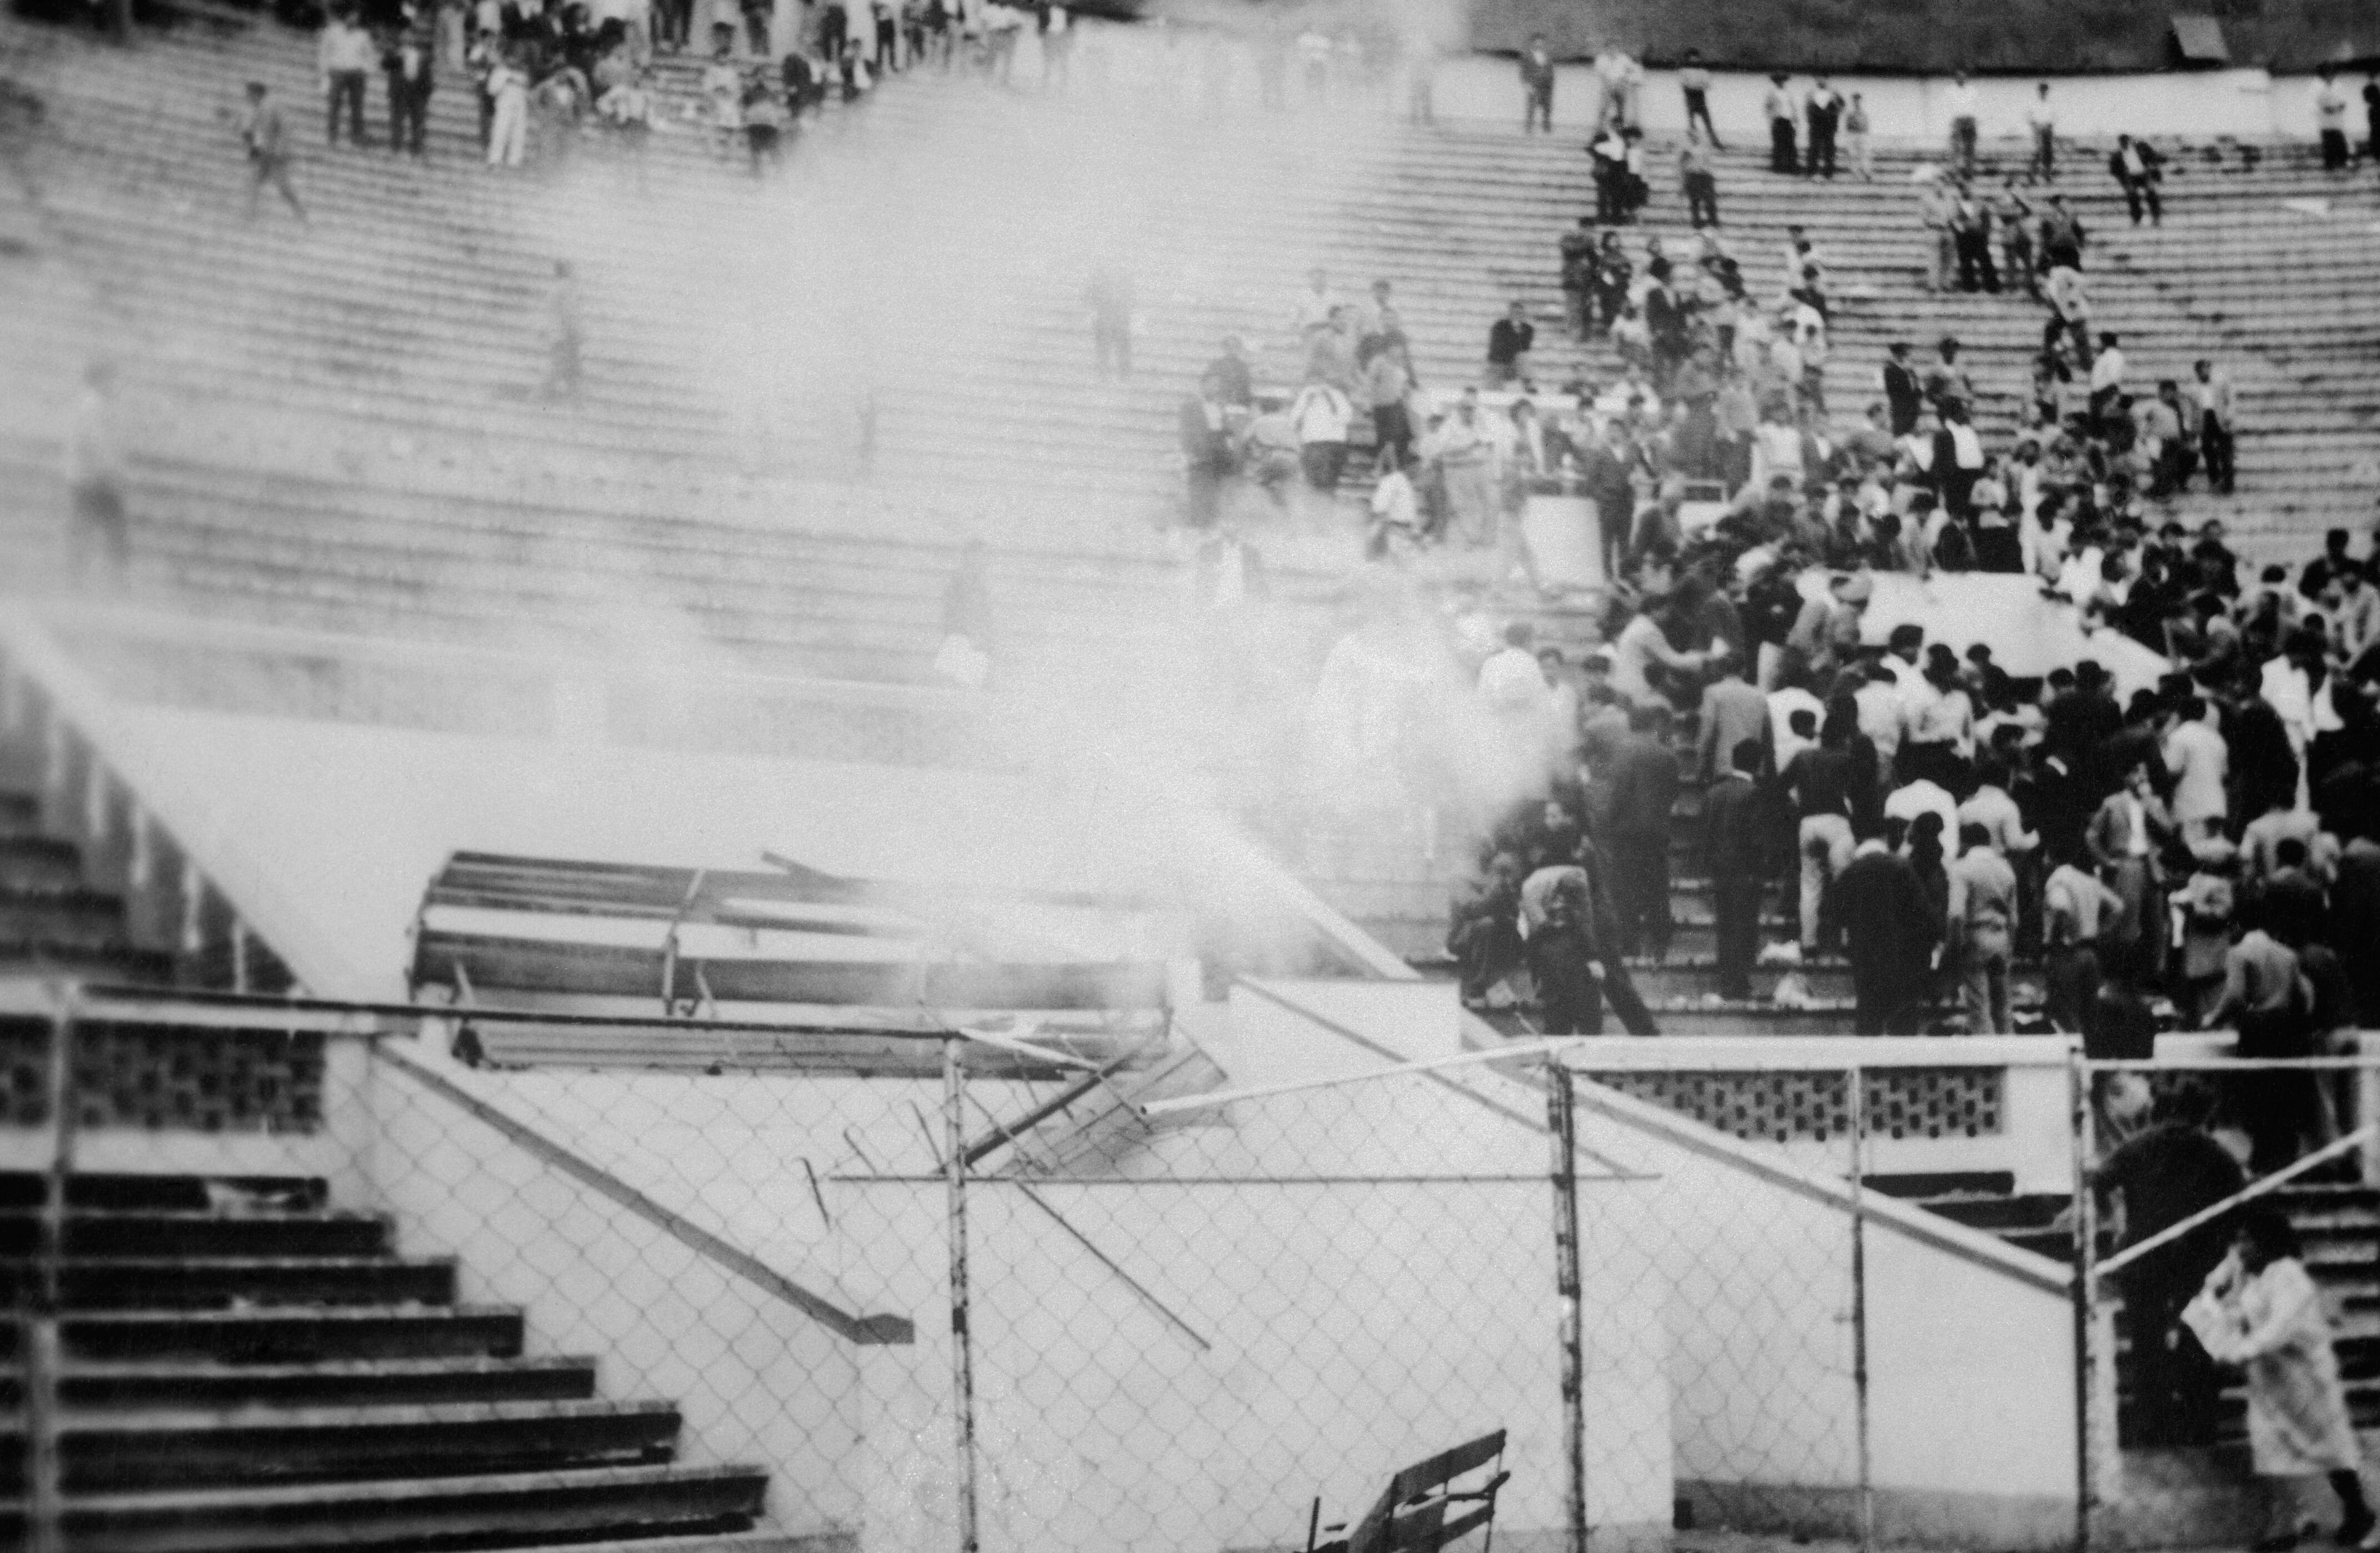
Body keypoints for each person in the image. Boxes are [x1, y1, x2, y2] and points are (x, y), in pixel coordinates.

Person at [2185, 1210, 2376, 1549]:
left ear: (2268, 1241)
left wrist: (2235, 1352)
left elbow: (2276, 1332)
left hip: (2305, 1377)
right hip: (2269, 1376)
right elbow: (2225, 1302)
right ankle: (2285, 1526)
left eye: (2248, 1240)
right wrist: (2217, 1294)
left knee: (2328, 1447)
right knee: (2271, 1447)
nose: (2241, 1247)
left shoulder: (2289, 1276)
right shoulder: (2250, 1275)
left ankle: (2359, 1512)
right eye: (2238, 1240)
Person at [2093, 1090, 2246, 1449]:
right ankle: (2200, 1425)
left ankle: (2153, 1427)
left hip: (2144, 1256)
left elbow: (2101, 1178)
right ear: (2202, 1114)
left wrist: (2113, 1222)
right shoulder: (2215, 1153)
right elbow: (2240, 1200)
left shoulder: (2139, 1145)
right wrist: (2218, 1240)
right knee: (2198, 1342)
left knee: (2148, 1345)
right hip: (2194, 1259)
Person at [1836, 828, 1939, 1034]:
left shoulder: (1850, 872)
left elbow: (1834, 914)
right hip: (1902, 953)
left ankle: (1869, 1065)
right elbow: (1925, 913)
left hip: (1865, 955)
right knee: (1903, 1017)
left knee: (1868, 1015)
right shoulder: (1903, 868)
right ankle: (1902, 1066)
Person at [1606, 703, 1680, 964]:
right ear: (1653, 725)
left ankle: (1629, 944)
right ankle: (1660, 941)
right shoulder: (1667, 756)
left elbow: (1616, 795)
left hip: (1626, 832)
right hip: (1656, 831)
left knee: (1624, 889)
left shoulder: (1622, 754)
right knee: (1657, 886)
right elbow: (1673, 794)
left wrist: (1611, 823)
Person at [1706, 738, 1767, 1000]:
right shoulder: (1753, 792)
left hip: (1721, 867)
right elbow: (1755, 836)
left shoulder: (1714, 792)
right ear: (1758, 763)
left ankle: (1727, 980)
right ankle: (1739, 983)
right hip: (1745, 869)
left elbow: (1707, 834)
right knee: (1744, 925)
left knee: (1726, 924)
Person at [1951, 822, 2017, 1031]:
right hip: (2001, 934)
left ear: (1965, 842)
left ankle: (1987, 1059)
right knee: (2003, 1006)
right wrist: (2010, 946)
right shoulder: (2006, 869)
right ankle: (2009, 1054)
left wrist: (1953, 945)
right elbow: (2014, 917)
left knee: (1979, 1006)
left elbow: (1956, 913)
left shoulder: (1962, 868)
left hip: (1976, 935)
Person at [237, 82, 308, 223]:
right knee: (253, 182)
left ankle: (300, 213)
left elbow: (286, 127)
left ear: (256, 94)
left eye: (249, 95)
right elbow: (251, 131)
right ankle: (249, 217)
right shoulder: (253, 109)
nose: (247, 98)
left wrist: (280, 149)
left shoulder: (273, 106)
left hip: (275, 155)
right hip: (261, 154)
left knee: (283, 187)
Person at [319, 7, 376, 147]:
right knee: (334, 105)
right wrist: (326, 71)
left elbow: (370, 56)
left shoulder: (363, 35)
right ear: (345, 16)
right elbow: (324, 52)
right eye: (351, 16)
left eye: (356, 17)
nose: (353, 20)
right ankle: (332, 136)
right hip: (338, 71)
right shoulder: (333, 32)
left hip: (356, 73)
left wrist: (366, 70)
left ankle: (356, 136)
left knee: (357, 106)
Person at [2194, 358, 2237, 495]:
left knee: (2226, 453)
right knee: (2209, 453)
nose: (2204, 373)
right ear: (2197, 373)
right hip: (2205, 421)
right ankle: (2215, 482)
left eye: (2206, 369)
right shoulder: (2194, 388)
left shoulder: (2221, 383)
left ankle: (2229, 484)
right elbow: (2194, 409)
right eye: (2201, 371)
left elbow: (2230, 400)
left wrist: (2229, 416)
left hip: (2221, 419)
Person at [2109, 133, 2164, 226]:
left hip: (2144, 175)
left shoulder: (2141, 148)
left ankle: (2156, 218)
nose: (2125, 144)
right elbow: (2113, 170)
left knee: (2151, 194)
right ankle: (2136, 219)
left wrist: (2153, 169)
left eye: (2127, 142)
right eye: (2123, 143)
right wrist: (2122, 179)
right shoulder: (2118, 155)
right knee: (2133, 197)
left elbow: (2154, 157)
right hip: (2130, 177)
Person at [1485, 301, 1534, 387]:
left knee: (1524, 357)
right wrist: (1516, 334)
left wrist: (1515, 334)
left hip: (1514, 363)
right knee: (1494, 369)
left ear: (1523, 315)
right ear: (1509, 314)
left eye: (1519, 313)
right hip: (1499, 362)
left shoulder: (1528, 329)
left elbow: (1525, 348)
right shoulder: (1500, 326)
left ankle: (1528, 386)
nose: (1516, 315)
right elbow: (1498, 346)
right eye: (1514, 313)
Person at [1679, 47, 1721, 147]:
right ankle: (1693, 143)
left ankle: (1715, 143)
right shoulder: (1684, 71)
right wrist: (1698, 86)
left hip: (1701, 100)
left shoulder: (1703, 71)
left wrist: (1695, 86)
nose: (1694, 60)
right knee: (1692, 123)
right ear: (1688, 59)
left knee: (1708, 122)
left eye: (1696, 58)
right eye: (1691, 58)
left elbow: (1707, 85)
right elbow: (1684, 85)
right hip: (1690, 99)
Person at [1679, 128, 1719, 229]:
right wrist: (1683, 180)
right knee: (1695, 201)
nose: (1695, 138)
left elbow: (1709, 163)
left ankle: (1713, 222)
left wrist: (1710, 176)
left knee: (1709, 200)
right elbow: (1683, 165)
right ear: (1689, 138)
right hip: (1693, 176)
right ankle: (1697, 223)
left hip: (1705, 176)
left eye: (1696, 135)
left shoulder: (1705, 148)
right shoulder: (1687, 150)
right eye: (1692, 136)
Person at [1803, 76, 1841, 179]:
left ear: (1827, 81)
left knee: (1830, 149)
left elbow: (1840, 107)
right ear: (1816, 81)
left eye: (1824, 79)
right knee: (1814, 147)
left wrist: (1834, 121)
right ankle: (1812, 170)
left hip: (1829, 126)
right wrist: (1811, 121)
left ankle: (1829, 171)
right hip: (1816, 126)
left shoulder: (1834, 94)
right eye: (1819, 79)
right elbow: (1807, 109)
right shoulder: (1811, 95)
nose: (1822, 81)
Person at [1944, 70, 1979, 177]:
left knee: (1970, 147)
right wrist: (1952, 122)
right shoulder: (1950, 91)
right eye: (1959, 77)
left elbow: (1976, 106)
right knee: (1956, 147)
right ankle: (1955, 171)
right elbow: (1947, 107)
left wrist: (1974, 121)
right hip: (1957, 121)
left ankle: (1969, 171)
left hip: (1970, 120)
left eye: (1964, 77)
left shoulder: (1972, 91)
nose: (1961, 79)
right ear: (1955, 78)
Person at [2317, 66, 2351, 173]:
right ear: (2324, 77)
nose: (2329, 78)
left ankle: (2342, 161)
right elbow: (2324, 107)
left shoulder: (2338, 88)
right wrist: (2334, 108)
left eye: (2331, 75)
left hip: (2337, 122)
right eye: (2327, 76)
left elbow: (2343, 103)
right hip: (2326, 123)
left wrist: (2338, 108)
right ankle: (2330, 164)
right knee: (2329, 144)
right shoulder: (2321, 90)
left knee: (2340, 142)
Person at [1518, 33, 1553, 134]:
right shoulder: (1527, 56)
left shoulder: (1547, 56)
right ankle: (1529, 129)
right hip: (1534, 85)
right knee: (1531, 108)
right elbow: (1523, 72)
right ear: (1533, 43)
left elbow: (1551, 71)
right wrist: (1527, 85)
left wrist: (1551, 85)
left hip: (1546, 86)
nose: (1540, 45)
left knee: (1547, 108)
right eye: (1537, 42)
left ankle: (1546, 129)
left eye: (1542, 43)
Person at [1763, 72, 1797, 174]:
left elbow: (1793, 107)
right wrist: (1772, 119)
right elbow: (1767, 108)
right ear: (1775, 82)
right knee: (1778, 145)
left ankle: (1792, 167)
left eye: (1782, 81)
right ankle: (1778, 168)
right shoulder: (1771, 94)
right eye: (1778, 81)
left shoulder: (1788, 93)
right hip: (1778, 121)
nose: (1780, 83)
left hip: (1788, 121)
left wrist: (1795, 119)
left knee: (1791, 145)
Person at [2026, 81, 2056, 182]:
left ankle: (2047, 175)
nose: (2043, 93)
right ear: (2039, 92)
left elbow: (2053, 118)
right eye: (2042, 91)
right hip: (2038, 131)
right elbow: (2030, 118)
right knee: (2038, 152)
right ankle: (2032, 175)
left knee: (2049, 153)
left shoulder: (2050, 103)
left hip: (2048, 130)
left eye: (2045, 91)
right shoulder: (2034, 103)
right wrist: (2036, 127)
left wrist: (2049, 126)